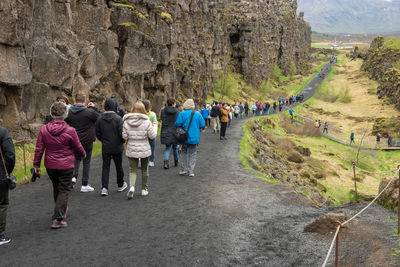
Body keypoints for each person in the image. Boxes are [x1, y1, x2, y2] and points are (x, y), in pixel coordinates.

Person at [34, 102, 86, 229]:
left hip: (50, 164)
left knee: (56, 187)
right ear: (66, 114)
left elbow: (39, 149)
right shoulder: (70, 130)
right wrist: (83, 154)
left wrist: (36, 165)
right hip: (66, 164)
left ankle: (60, 209)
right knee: (64, 189)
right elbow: (77, 146)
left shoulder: (44, 129)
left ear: (51, 113)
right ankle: (58, 218)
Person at [65, 92, 99, 192]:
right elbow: (100, 118)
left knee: (75, 159)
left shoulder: (68, 112)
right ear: (85, 101)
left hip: (74, 139)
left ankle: (73, 177)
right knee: (86, 161)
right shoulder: (90, 112)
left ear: (74, 101)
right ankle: (84, 184)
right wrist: (94, 108)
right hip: (87, 140)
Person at [123, 102, 157, 199]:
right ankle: (143, 189)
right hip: (144, 147)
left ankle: (132, 187)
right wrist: (155, 127)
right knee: (144, 169)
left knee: (133, 169)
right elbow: (152, 136)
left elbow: (124, 136)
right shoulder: (147, 121)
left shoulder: (126, 121)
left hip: (131, 147)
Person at [95, 98, 128, 196]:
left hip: (106, 146)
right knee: (119, 166)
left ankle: (104, 188)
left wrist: (103, 140)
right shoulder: (118, 119)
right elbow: (121, 134)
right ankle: (120, 184)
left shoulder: (100, 119)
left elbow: (98, 133)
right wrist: (122, 142)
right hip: (117, 146)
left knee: (105, 167)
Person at [174, 99, 205, 177]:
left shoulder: (182, 114)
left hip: (184, 137)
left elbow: (177, 124)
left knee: (183, 153)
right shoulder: (198, 114)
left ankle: (183, 169)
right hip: (194, 137)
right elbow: (202, 124)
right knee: (193, 154)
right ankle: (191, 171)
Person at [0, 125, 15, 245]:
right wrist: (8, 172)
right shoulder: (2, 131)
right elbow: (10, 155)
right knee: (2, 204)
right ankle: (0, 235)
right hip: (0, 175)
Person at [160, 98, 179, 169]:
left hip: (165, 131)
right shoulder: (177, 111)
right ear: (174, 103)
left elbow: (162, 119)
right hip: (174, 131)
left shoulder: (163, 111)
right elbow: (178, 121)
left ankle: (166, 162)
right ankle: (176, 161)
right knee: (175, 148)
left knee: (167, 148)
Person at [142, 100, 158, 167]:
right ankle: (151, 161)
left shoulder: (140, 114)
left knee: (142, 147)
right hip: (151, 133)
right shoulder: (152, 114)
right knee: (152, 147)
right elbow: (155, 124)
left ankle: (141, 161)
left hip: (142, 133)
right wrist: (154, 133)